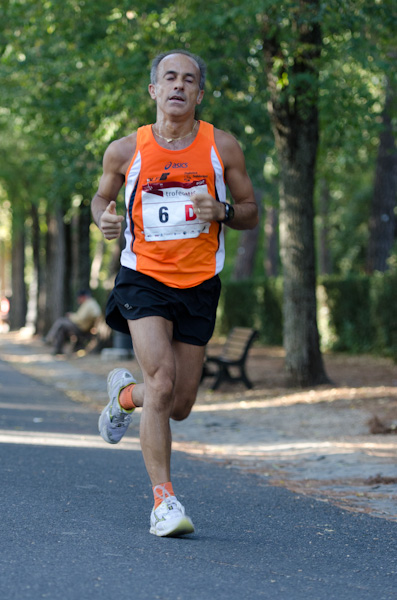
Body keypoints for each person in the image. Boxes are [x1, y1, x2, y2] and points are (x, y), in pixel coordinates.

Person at [91, 49, 258, 537]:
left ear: (200, 93)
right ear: (154, 90)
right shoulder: (124, 150)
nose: (179, 86)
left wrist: (222, 211)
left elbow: (250, 210)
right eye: (170, 78)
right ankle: (164, 503)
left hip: (200, 281)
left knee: (179, 402)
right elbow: (102, 196)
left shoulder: (222, 147)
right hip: (142, 277)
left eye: (189, 80)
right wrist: (103, 216)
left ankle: (124, 397)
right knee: (161, 382)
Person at [45, 290, 101, 355]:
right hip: (83, 327)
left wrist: (71, 316)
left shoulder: (89, 304)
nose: (78, 300)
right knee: (62, 328)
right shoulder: (91, 303)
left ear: (83, 297)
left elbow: (80, 319)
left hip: (81, 328)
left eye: (79, 298)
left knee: (61, 322)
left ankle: (50, 339)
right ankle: (57, 349)